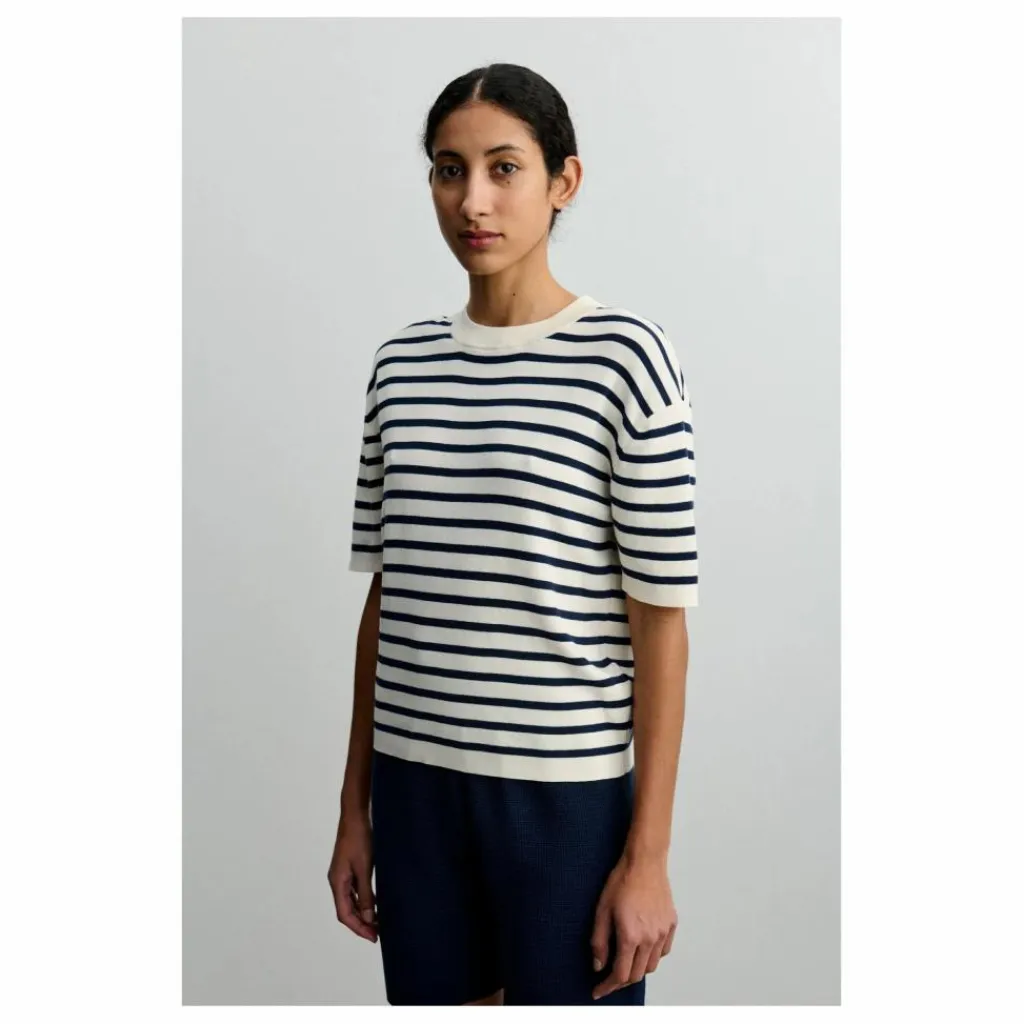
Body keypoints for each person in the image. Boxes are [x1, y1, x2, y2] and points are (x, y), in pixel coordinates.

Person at [327, 62, 699, 1006]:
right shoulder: (401, 366)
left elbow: (660, 621)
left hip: (562, 797)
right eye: (449, 171)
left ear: (563, 181)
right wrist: (354, 811)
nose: (473, 201)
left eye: (504, 168)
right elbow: (388, 600)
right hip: (414, 788)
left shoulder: (626, 359)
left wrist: (648, 858)